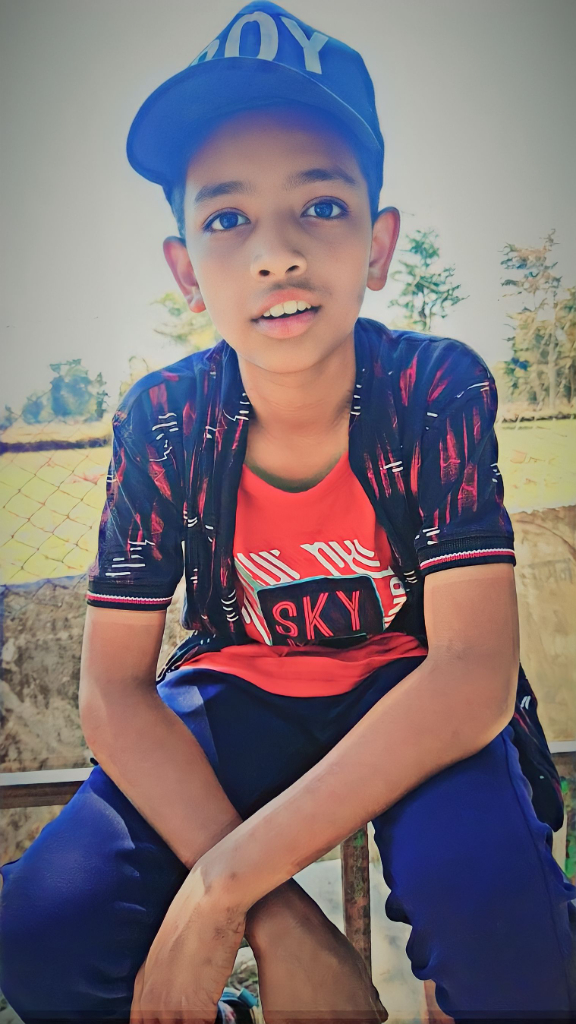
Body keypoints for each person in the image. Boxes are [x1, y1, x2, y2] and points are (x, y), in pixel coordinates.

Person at [1, 3, 574, 1022]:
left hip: (408, 683)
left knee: (509, 942)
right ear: (184, 268)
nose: (275, 252)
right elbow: (113, 695)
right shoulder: (168, 419)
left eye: (319, 205)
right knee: (43, 935)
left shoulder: (432, 390)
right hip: (238, 689)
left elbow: (471, 672)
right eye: (226, 218)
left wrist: (224, 882)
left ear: (380, 242)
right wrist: (281, 916)